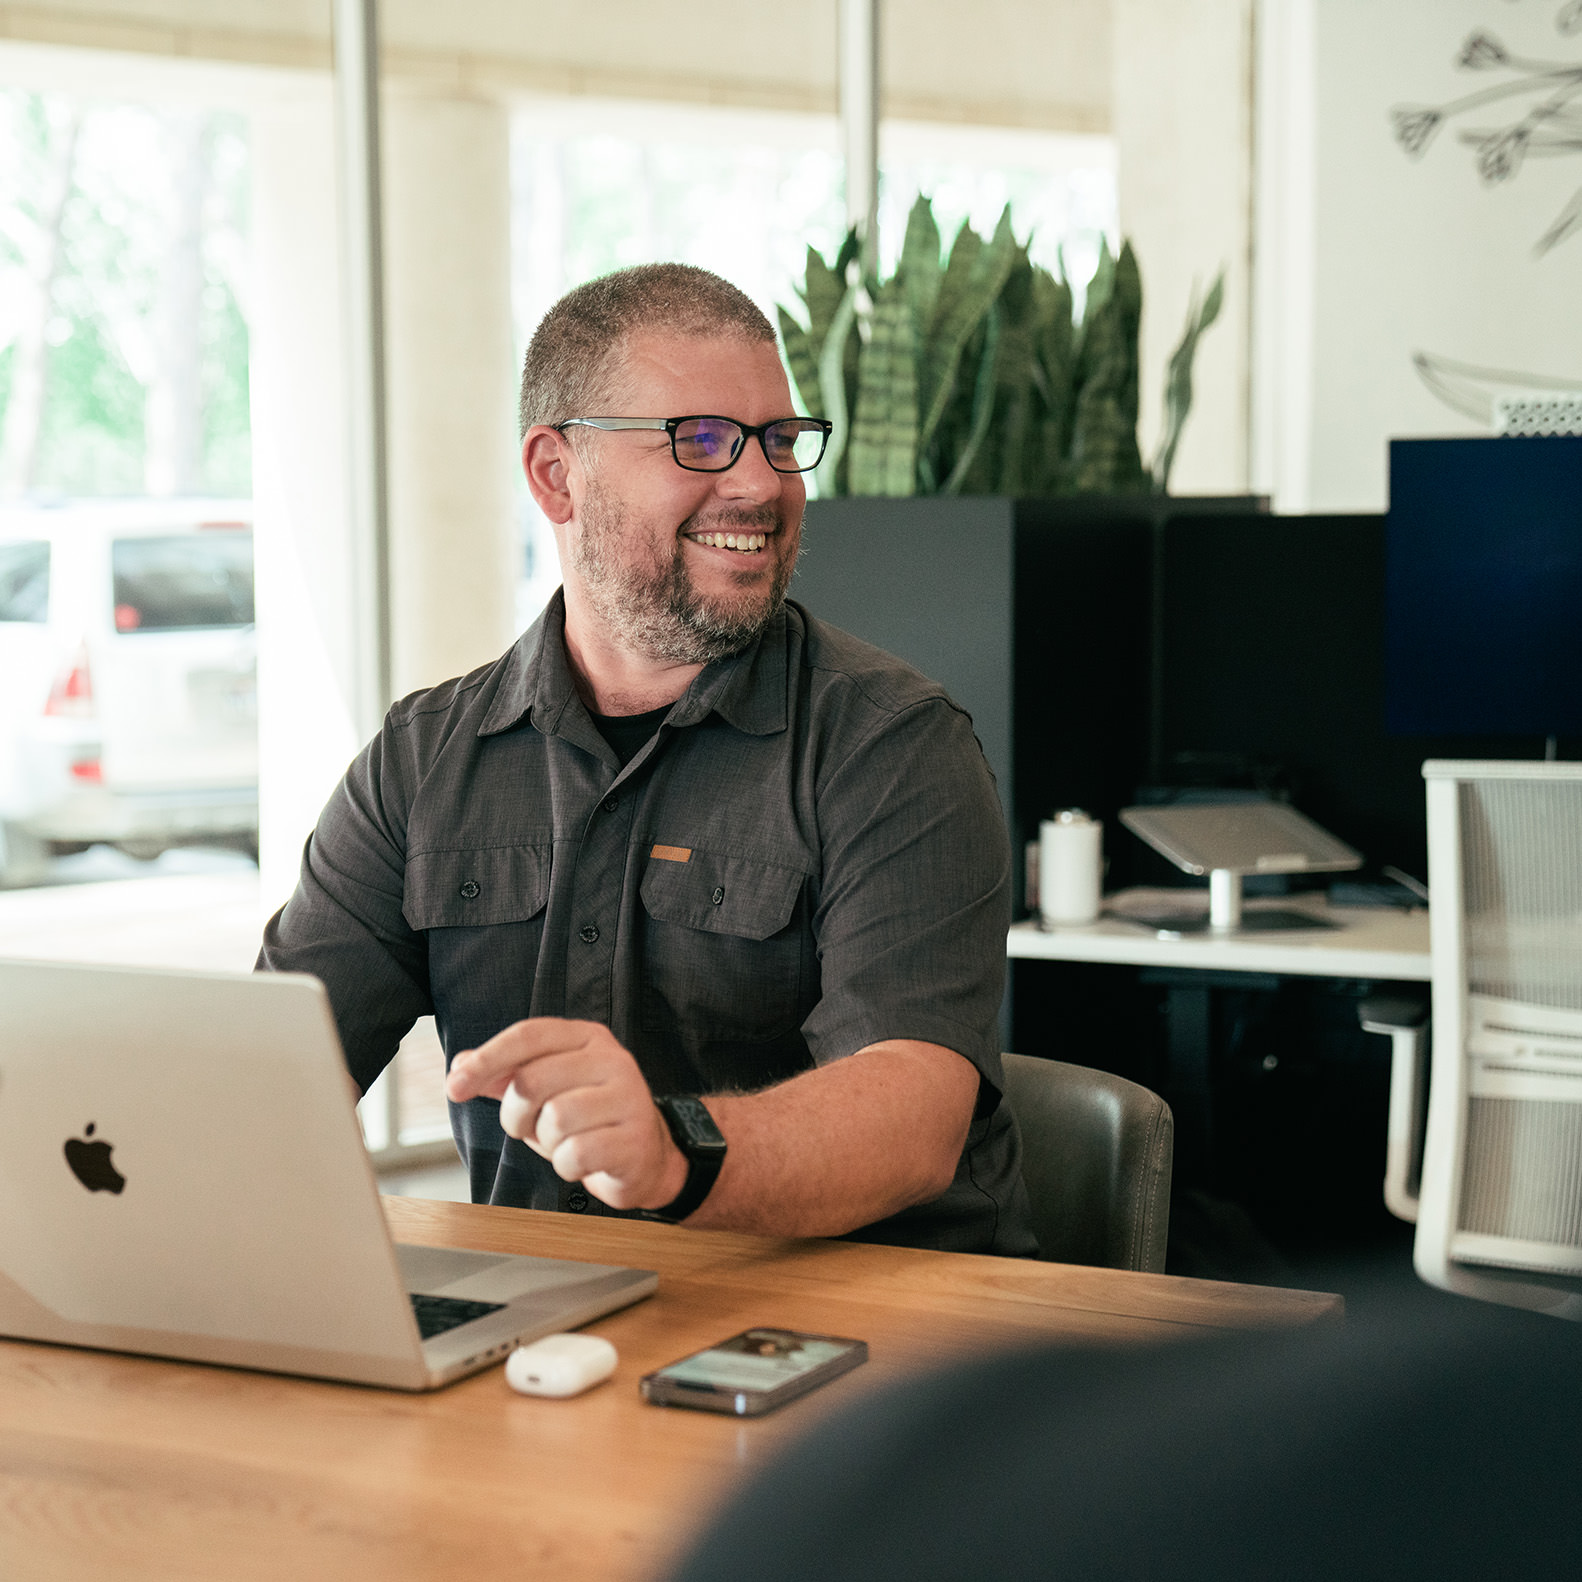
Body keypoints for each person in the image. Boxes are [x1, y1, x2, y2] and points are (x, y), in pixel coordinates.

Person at [258, 262, 1034, 1255]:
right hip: (548, 1309)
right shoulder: (421, 761)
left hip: (872, 1316)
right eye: (700, 439)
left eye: (780, 440)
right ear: (556, 474)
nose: (760, 483)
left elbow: (911, 1117)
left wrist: (675, 1152)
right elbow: (273, 1074)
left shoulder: (892, 746)